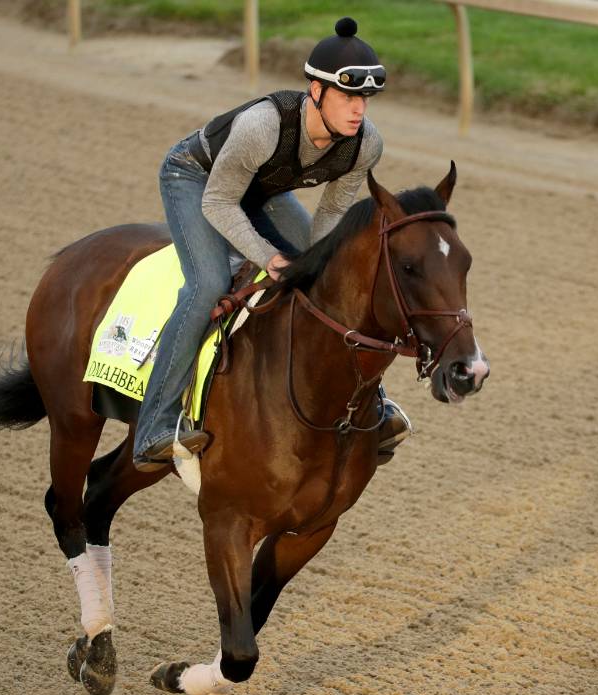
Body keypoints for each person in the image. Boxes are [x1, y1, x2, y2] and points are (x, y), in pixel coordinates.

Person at [133, 17, 412, 470]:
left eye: (364, 98)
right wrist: (269, 257)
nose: (358, 109)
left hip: (263, 189)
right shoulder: (262, 127)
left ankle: (373, 406)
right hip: (198, 179)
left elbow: (332, 216)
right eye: (347, 96)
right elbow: (221, 202)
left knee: (330, 274)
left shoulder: (365, 145)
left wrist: (320, 267)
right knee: (208, 284)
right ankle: (154, 428)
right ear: (316, 92)